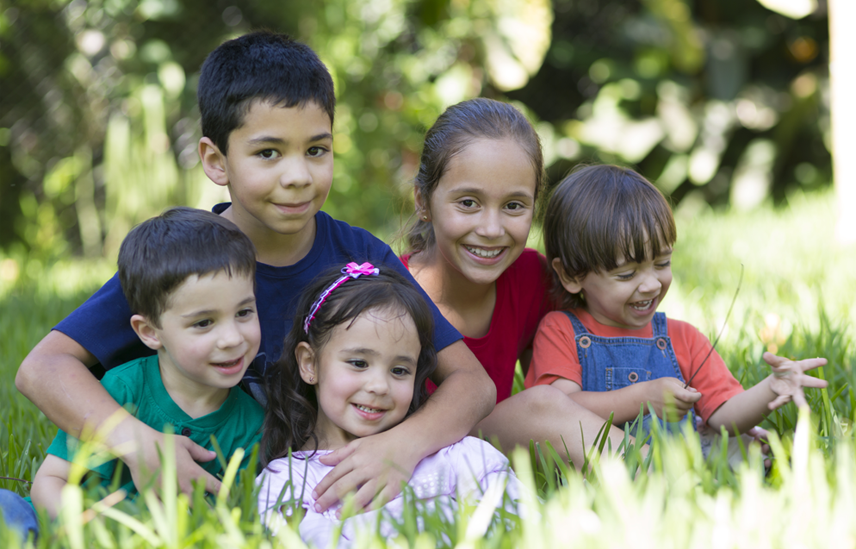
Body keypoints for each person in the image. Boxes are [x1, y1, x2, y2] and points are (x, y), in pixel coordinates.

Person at [15, 31, 494, 513]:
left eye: (316, 150)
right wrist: (136, 442)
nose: (298, 176)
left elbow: (472, 384)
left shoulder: (359, 259)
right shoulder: (185, 261)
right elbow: (43, 368)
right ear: (216, 161)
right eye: (268, 153)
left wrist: (402, 446)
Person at [401, 98, 637, 464]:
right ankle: (674, 476)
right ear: (423, 201)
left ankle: (683, 459)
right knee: (540, 408)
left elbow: (586, 382)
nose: (492, 229)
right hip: (408, 453)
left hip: (488, 449)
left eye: (513, 206)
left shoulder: (531, 278)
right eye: (468, 203)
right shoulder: (388, 295)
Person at [526, 164, 828, 440]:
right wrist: (644, 397)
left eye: (662, 263)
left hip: (679, 466)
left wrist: (771, 388)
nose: (652, 284)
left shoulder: (683, 339)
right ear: (571, 275)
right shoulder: (560, 331)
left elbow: (725, 414)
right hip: (600, 470)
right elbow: (558, 412)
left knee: (744, 441)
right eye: (627, 273)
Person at [28, 207, 265, 522]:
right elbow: (51, 481)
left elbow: (236, 516)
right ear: (150, 332)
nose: (232, 338)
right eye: (204, 322)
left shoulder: (253, 425)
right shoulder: (121, 390)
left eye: (244, 313)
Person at [257, 263, 520, 548]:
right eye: (359, 363)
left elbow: (524, 524)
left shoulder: (458, 456)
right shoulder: (289, 482)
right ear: (310, 363)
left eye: (399, 370)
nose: (380, 386)